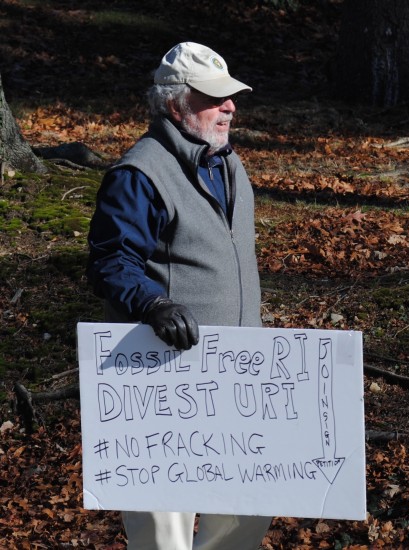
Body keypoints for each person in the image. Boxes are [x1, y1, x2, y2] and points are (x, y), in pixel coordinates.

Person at [86, 42, 272, 550]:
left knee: (242, 516)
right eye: (216, 98)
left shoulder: (229, 164)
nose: (231, 106)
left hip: (237, 379)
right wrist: (153, 304)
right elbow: (111, 261)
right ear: (176, 105)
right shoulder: (139, 174)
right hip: (162, 386)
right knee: (163, 532)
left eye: (231, 96)